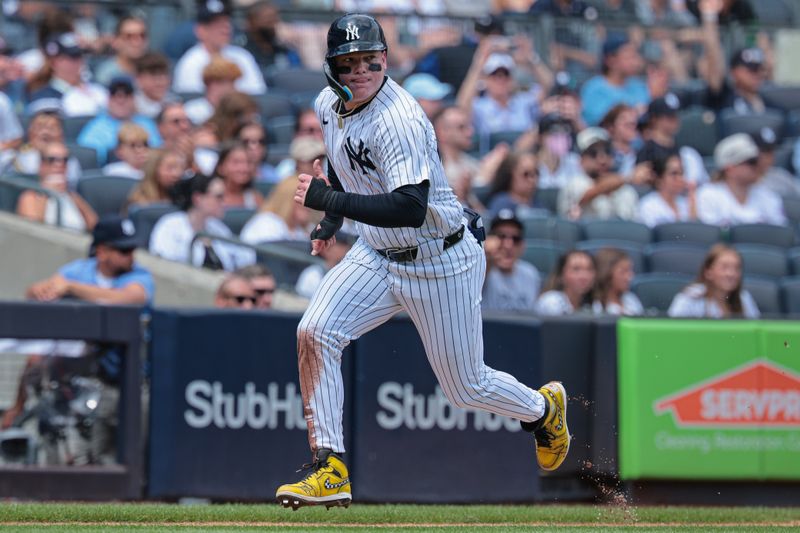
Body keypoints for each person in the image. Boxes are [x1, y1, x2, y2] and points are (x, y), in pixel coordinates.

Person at [275, 14, 570, 511]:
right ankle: (330, 469)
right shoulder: (329, 103)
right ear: (332, 69)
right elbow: (350, 164)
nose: (364, 70)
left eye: (372, 59)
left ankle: (542, 410)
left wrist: (330, 200)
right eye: (350, 62)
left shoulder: (401, 118)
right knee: (315, 331)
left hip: (438, 259)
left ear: (386, 59)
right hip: (375, 251)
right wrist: (331, 214)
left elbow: (410, 207)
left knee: (466, 387)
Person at [15, 215, 155, 465]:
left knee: (133, 462)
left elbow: (130, 298)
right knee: (85, 459)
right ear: (102, 251)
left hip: (129, 384)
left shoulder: (139, 276)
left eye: (132, 249)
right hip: (82, 382)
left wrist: (71, 288)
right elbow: (36, 293)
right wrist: (46, 289)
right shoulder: (78, 271)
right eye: (123, 250)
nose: (130, 256)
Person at [149, 173, 254, 271]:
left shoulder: (218, 228)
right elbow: (165, 266)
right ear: (198, 199)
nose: (224, 202)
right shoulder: (170, 226)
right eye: (219, 197)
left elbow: (244, 258)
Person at [172, 0, 266, 96]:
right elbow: (192, 104)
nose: (225, 27)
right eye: (216, 24)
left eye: (226, 21)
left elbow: (258, 95)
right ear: (200, 31)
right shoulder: (190, 62)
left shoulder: (243, 57)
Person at [240, 139, 323, 244]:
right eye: (302, 198)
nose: (309, 203)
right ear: (286, 199)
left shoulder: (304, 229)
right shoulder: (267, 224)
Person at [696, 134, 786, 227]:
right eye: (752, 162)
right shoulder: (708, 195)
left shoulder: (768, 195)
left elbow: (780, 236)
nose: (758, 165)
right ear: (730, 169)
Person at [77, 76, 161, 165]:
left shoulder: (146, 124)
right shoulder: (95, 127)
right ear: (108, 100)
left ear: (134, 99)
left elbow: (156, 153)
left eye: (126, 94)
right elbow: (88, 158)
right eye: (115, 95)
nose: (120, 100)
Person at [557, 127, 639, 221]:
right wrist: (628, 178)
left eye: (607, 152)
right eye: (593, 153)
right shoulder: (574, 184)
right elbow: (587, 195)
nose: (602, 160)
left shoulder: (626, 189)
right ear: (581, 160)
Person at [16, 142, 97, 231]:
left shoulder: (72, 196)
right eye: (52, 159)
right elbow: (32, 231)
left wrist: (71, 195)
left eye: (64, 160)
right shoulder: (30, 197)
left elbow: (95, 226)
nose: (59, 164)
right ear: (41, 165)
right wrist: (46, 192)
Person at [26, 32, 108, 118]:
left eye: (80, 56)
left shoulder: (96, 88)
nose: (78, 62)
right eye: (72, 57)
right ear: (54, 62)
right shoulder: (45, 97)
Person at [668, 244, 760, 318]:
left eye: (737, 268)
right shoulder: (689, 299)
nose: (731, 274)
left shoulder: (745, 298)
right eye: (724, 267)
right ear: (708, 272)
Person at [2, 103, 82, 187]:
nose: (45, 133)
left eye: (52, 128)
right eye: (40, 127)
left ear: (61, 135)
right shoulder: (12, 161)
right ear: (30, 132)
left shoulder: (69, 162)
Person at [635, 93, 709, 185]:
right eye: (669, 116)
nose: (675, 119)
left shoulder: (686, 152)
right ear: (654, 119)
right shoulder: (646, 152)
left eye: (676, 115)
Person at [580, 35, 649, 126]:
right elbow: (598, 124)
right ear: (611, 60)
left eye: (635, 56)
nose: (635, 62)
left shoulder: (639, 87)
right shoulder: (594, 89)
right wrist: (634, 112)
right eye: (629, 57)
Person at [482, 208, 541, 312]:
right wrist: (487, 257)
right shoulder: (481, 269)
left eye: (515, 238)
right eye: (501, 236)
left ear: (522, 246)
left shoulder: (531, 274)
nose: (508, 245)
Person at [637, 151, 697, 227]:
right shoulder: (648, 205)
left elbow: (693, 232)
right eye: (674, 174)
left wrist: (692, 200)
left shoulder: (684, 203)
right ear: (659, 179)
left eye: (681, 173)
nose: (680, 178)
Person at [242, 0, 302, 71]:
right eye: (268, 18)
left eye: (275, 18)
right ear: (251, 22)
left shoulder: (282, 49)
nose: (273, 25)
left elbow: (297, 72)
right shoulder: (243, 52)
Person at [295, 231, 355, 300]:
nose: (347, 249)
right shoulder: (312, 275)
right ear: (326, 249)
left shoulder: (345, 274)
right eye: (342, 245)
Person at [535, 250, 596, 316]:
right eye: (576, 269)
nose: (584, 276)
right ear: (561, 275)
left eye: (589, 269)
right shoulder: (551, 302)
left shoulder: (594, 305)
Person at [485, 150, 546, 217]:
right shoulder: (501, 204)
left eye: (536, 173)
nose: (532, 180)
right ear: (511, 175)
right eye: (526, 174)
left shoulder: (539, 205)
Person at [185, 56, 242, 126]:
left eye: (233, 83)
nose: (233, 88)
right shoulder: (191, 111)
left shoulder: (238, 111)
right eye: (228, 82)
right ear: (211, 83)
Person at [94, 15, 149, 86]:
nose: (137, 42)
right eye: (129, 37)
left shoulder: (155, 71)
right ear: (116, 41)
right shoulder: (106, 75)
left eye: (142, 36)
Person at [591, 247, 644, 316]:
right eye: (623, 272)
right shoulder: (595, 306)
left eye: (630, 270)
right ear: (606, 274)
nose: (630, 277)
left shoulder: (631, 299)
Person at [535, 113, 582, 190]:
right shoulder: (531, 165)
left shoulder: (575, 162)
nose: (561, 137)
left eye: (565, 132)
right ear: (540, 138)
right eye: (554, 132)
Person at [751, 127, 800, 200]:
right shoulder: (741, 179)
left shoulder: (782, 177)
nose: (768, 156)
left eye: (771, 151)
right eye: (764, 151)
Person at [214, 141, 263, 209]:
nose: (244, 169)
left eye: (248, 162)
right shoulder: (209, 198)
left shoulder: (256, 200)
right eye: (236, 162)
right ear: (221, 167)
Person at [133, 52, 174, 119]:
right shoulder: (131, 107)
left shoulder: (175, 103)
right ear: (139, 79)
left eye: (163, 75)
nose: (160, 82)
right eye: (154, 76)